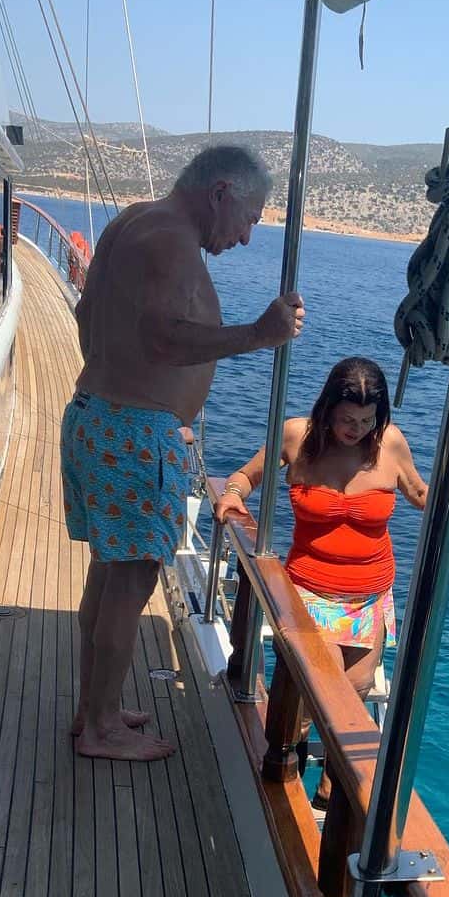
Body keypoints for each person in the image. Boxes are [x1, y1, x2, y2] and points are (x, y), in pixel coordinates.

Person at [62, 144, 306, 761]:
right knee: (131, 581)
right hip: (132, 431)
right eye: (249, 218)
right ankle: (101, 730)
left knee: (108, 575)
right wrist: (259, 334)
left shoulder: (133, 222)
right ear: (221, 193)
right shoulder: (172, 239)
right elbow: (164, 337)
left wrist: (129, 391)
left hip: (101, 417)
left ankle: (98, 708)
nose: (247, 237)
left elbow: (89, 316)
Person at [215, 356, 449, 803]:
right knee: (315, 696)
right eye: (346, 420)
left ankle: (332, 798)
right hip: (309, 592)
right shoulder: (298, 436)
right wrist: (234, 498)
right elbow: (244, 476)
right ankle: (281, 777)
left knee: (352, 702)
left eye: (367, 420)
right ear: (327, 410)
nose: (356, 429)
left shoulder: (388, 444)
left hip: (369, 598)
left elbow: (420, 494)